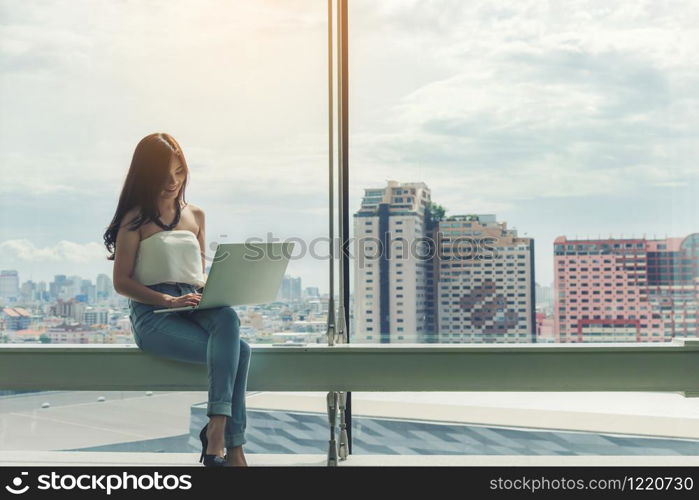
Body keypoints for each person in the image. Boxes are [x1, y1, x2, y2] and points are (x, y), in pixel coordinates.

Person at [103, 132, 250, 467]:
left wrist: (224, 287)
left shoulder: (196, 215)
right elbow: (122, 282)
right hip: (154, 313)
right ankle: (233, 446)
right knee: (240, 352)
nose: (173, 181)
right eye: (164, 174)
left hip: (193, 303)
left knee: (227, 316)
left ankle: (216, 431)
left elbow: (196, 272)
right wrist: (166, 301)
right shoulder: (134, 219)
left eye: (179, 171)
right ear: (146, 176)